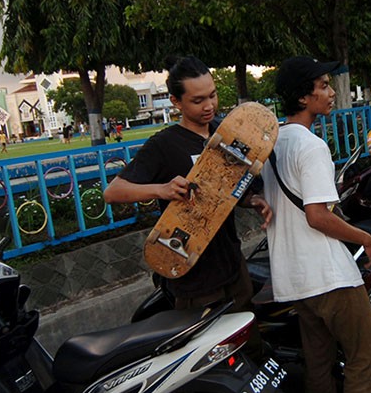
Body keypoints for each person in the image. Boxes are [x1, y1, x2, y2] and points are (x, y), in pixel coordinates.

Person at [103, 55, 271, 335]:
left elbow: (232, 189)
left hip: (233, 265)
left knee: (249, 342)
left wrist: (252, 201)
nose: (209, 106)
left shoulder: (226, 134)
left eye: (212, 95)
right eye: (198, 100)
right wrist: (162, 189)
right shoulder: (163, 145)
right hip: (192, 276)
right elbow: (113, 192)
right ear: (176, 102)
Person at [261, 56, 371, 393]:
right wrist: (365, 237)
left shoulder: (273, 144)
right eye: (324, 86)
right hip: (328, 276)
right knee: (367, 362)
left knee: (318, 365)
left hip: (294, 280)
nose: (331, 93)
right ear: (303, 97)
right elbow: (317, 215)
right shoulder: (312, 146)